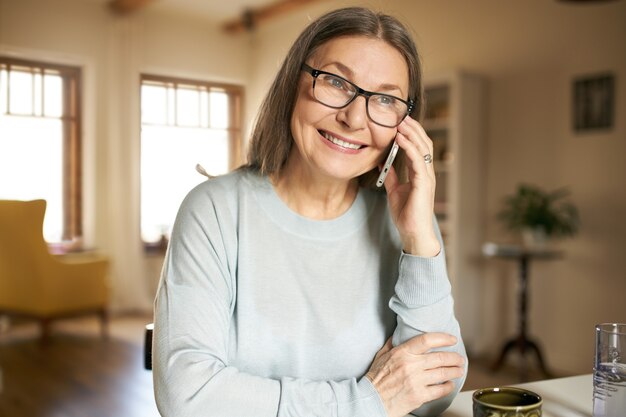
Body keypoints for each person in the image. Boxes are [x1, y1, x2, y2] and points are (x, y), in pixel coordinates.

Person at [153, 7, 467, 417]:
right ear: (293, 83)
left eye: (385, 100)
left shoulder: (409, 222)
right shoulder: (214, 209)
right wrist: (370, 400)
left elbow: (437, 391)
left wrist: (419, 242)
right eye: (336, 82)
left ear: (404, 125)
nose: (354, 118)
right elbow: (188, 396)